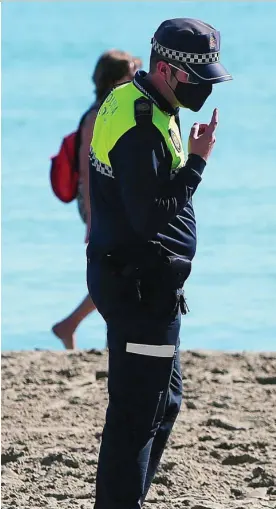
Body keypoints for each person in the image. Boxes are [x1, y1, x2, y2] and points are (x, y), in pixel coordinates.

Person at [82, 18, 232, 509]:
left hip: (141, 283)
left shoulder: (140, 100)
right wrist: (197, 163)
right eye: (199, 78)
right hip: (139, 286)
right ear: (167, 69)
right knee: (138, 412)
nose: (206, 89)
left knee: (161, 403)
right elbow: (151, 215)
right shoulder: (143, 123)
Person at [52, 50, 142, 350]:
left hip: (114, 204)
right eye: (131, 74)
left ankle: (84, 330)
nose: (136, 79)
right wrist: (92, 218)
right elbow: (88, 173)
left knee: (122, 272)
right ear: (115, 78)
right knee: (116, 273)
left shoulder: (114, 109)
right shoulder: (96, 115)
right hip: (98, 205)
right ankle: (73, 325)